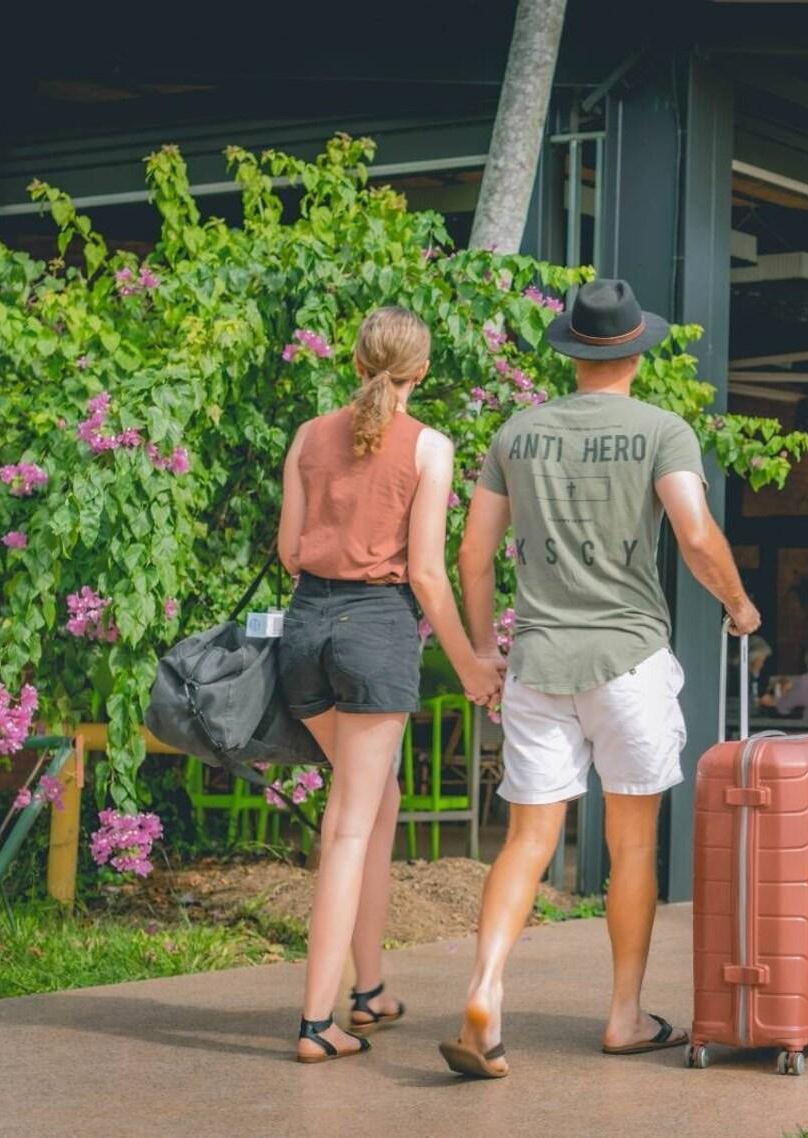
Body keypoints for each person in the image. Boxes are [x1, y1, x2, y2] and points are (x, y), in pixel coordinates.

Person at [444, 279, 759, 1079]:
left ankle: (485, 990)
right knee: (632, 846)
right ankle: (623, 1016)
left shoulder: (517, 432)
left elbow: (473, 555)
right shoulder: (662, 429)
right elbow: (694, 533)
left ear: (572, 352)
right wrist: (738, 602)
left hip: (539, 663)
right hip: (628, 663)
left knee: (527, 840)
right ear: (638, 352)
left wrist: (483, 652)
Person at [275, 306, 505, 1064]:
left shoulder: (309, 436)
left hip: (305, 630)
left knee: (377, 802)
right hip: (374, 632)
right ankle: (316, 1024)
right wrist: (473, 664)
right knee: (348, 824)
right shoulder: (430, 447)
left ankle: (369, 991)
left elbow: (288, 551)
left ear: (353, 361)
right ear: (424, 372)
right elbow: (430, 573)